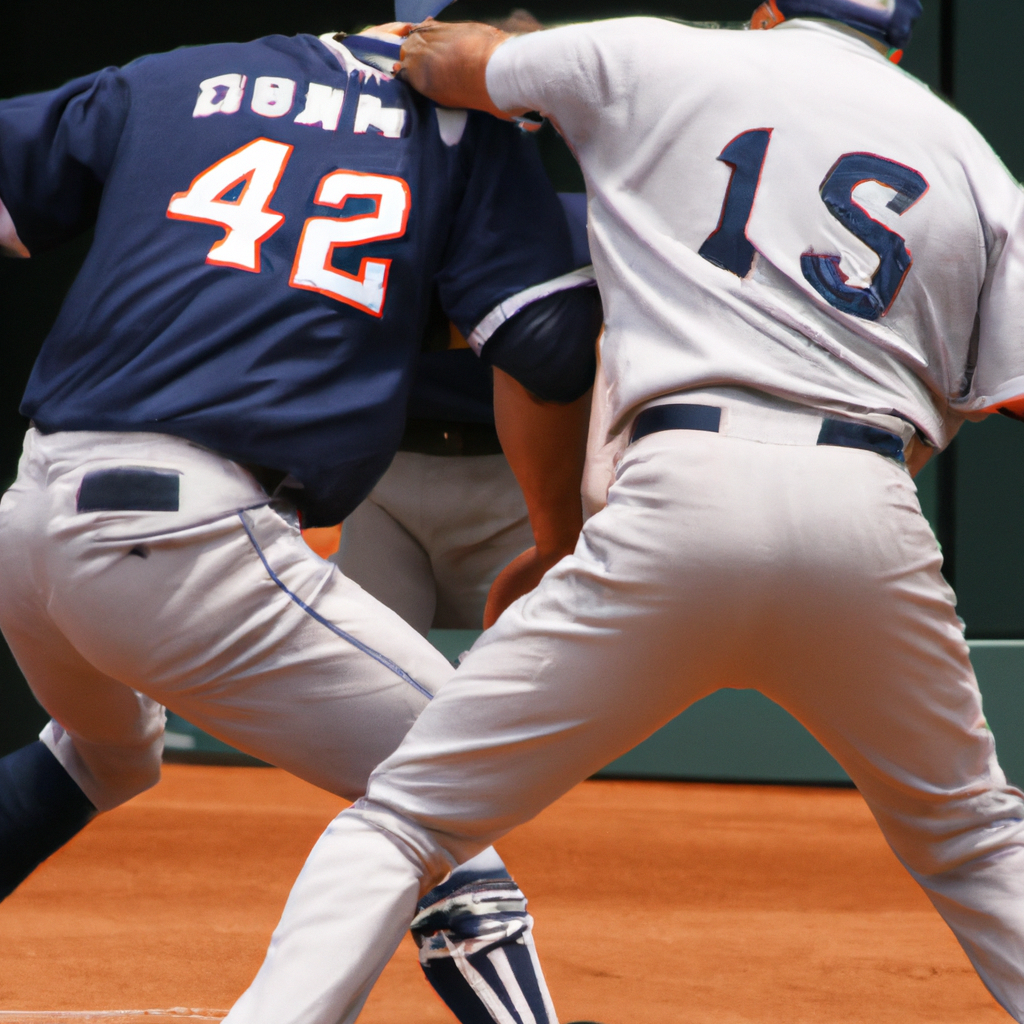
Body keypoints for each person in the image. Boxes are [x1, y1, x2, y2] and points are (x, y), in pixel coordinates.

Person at [216, 2, 1024, 1023]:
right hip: (866, 496)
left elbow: (450, 62)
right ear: (896, 41)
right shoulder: (970, 158)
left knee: (406, 819)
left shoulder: (657, 52)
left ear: (767, 13)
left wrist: (457, 46)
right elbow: (1001, 390)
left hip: (680, 486)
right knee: (976, 837)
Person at [0, 19, 602, 1024]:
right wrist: (557, 531)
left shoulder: (174, 73)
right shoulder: (460, 128)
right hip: (190, 535)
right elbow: (545, 348)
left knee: (107, 753)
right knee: (453, 786)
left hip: (31, 520)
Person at [336, 191, 593, 635]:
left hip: (523, 478)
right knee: (367, 673)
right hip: (382, 476)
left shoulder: (570, 211)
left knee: (521, 675)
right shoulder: (366, 195)